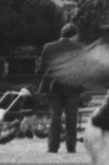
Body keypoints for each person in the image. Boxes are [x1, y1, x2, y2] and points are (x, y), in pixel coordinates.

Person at [36, 22, 86, 154]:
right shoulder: (79, 48)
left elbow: (42, 68)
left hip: (53, 87)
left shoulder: (48, 47)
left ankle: (53, 147)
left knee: (55, 117)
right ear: (74, 35)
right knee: (71, 118)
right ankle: (71, 146)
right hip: (72, 87)